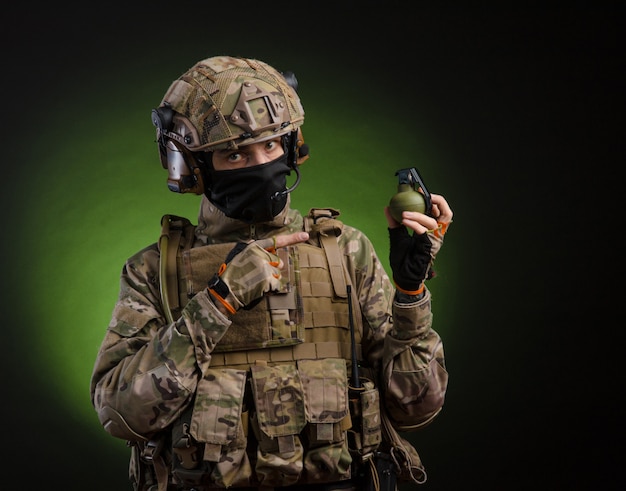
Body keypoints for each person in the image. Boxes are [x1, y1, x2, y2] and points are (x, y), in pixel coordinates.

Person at [90, 55, 453, 491]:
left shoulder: (345, 251)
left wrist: (410, 293)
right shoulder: (155, 271)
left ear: (292, 145)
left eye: (271, 145)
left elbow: (415, 407)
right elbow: (121, 415)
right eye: (234, 153)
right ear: (194, 166)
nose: (260, 165)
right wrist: (217, 302)